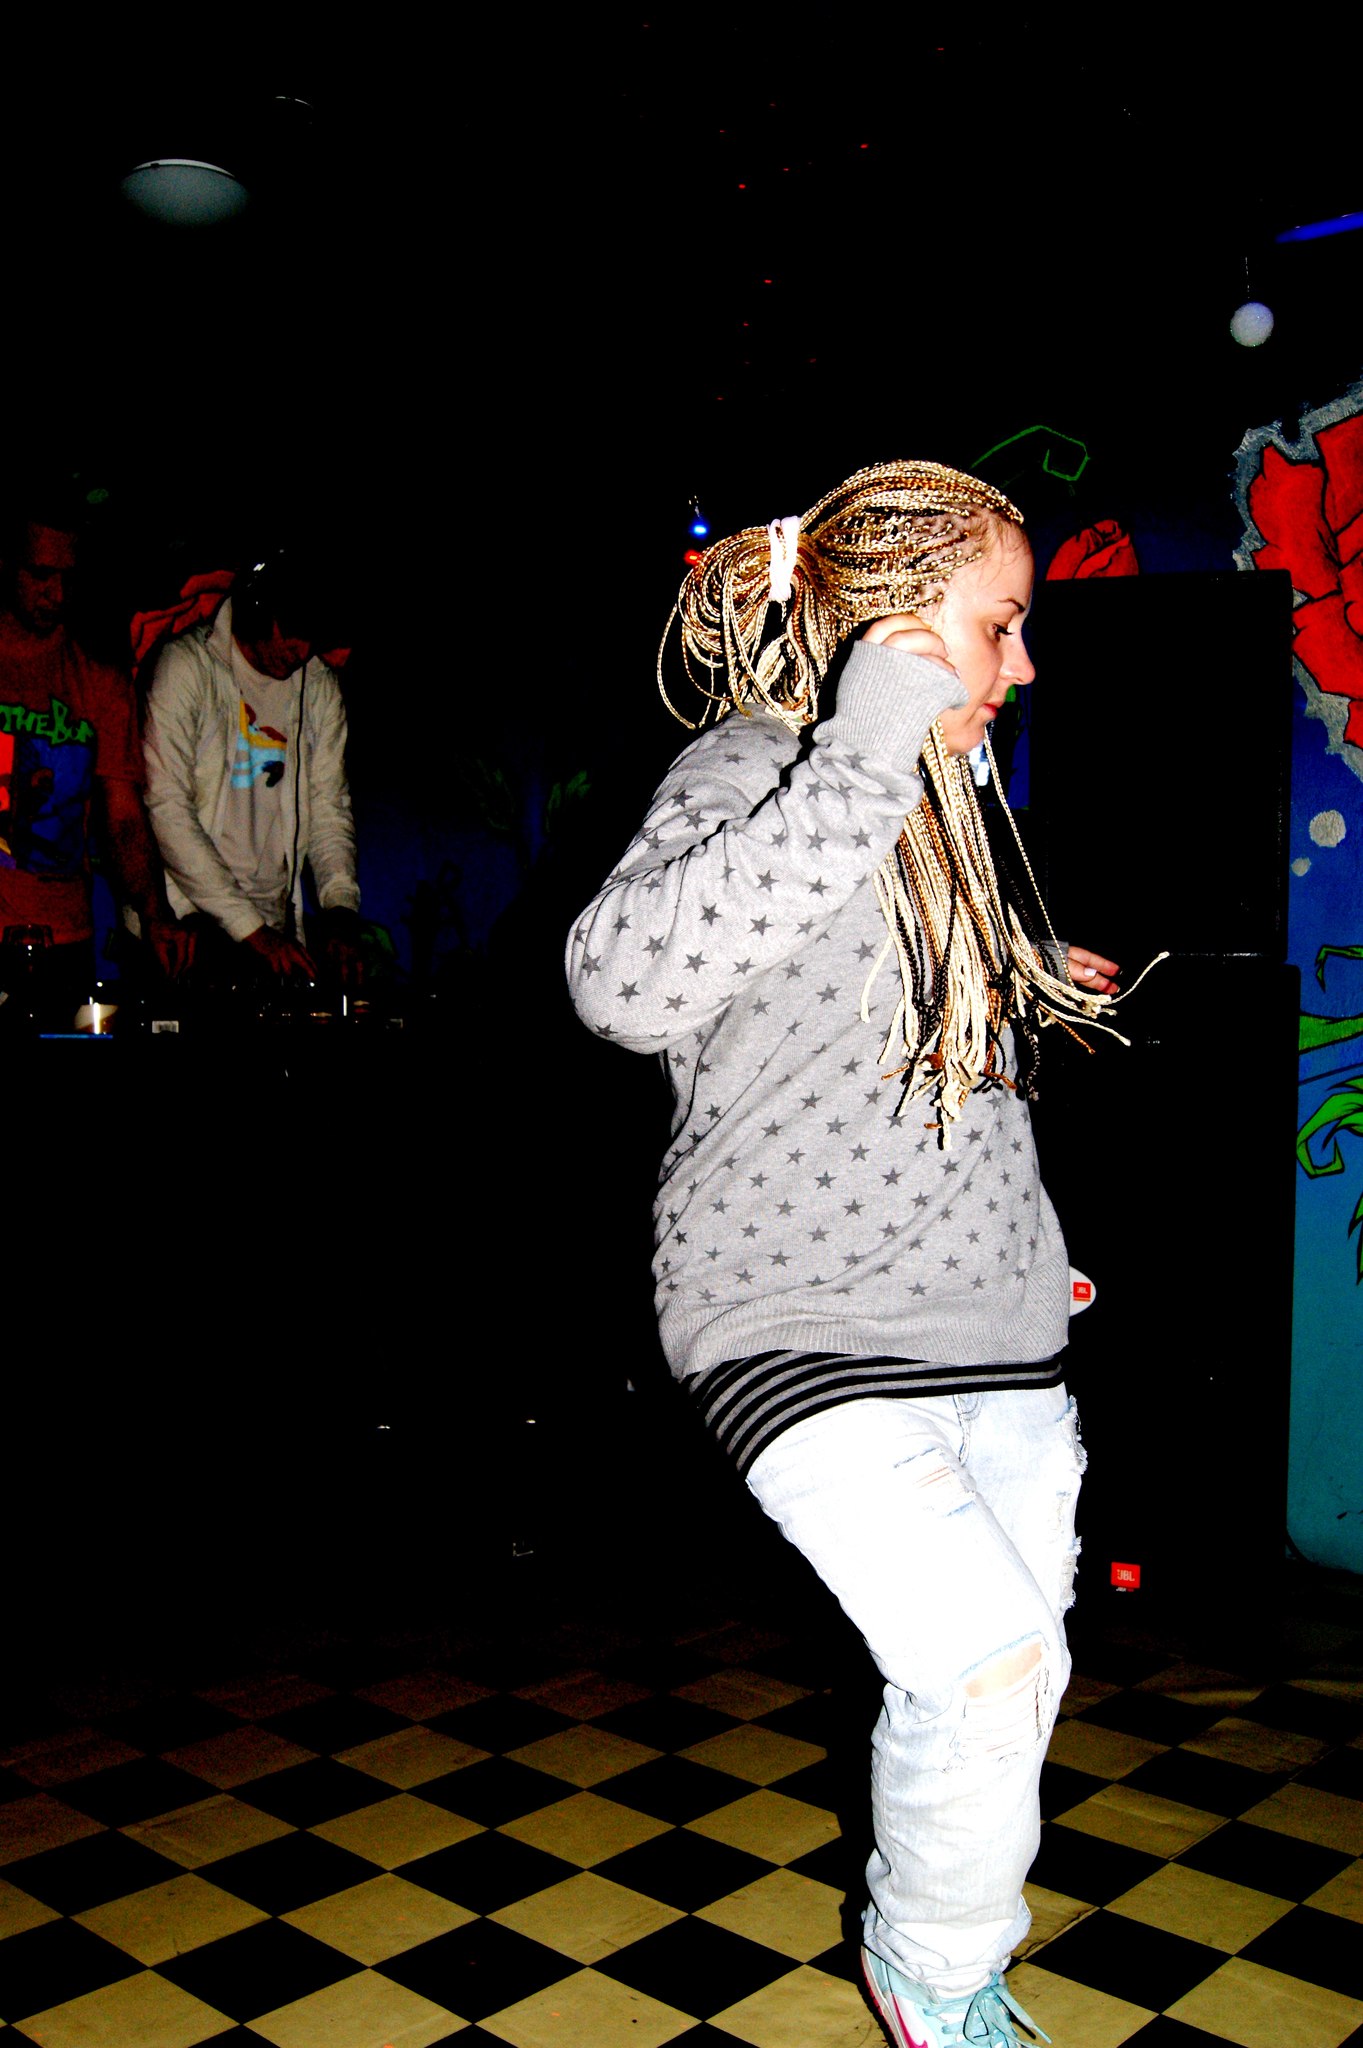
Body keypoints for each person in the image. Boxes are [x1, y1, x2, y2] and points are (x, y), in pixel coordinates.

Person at [565, 462, 1126, 2048]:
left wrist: (1017, 978)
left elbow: (885, 1041)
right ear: (894, 628)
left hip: (986, 1320)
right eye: (997, 625)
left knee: (1016, 1681)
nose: (1022, 665)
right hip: (793, 1320)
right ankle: (934, 1977)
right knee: (978, 1661)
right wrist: (866, 745)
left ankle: (952, 1965)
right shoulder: (757, 766)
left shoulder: (943, 814)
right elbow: (618, 984)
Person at [0, 511, 191, 1018]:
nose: (56, 594)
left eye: (68, 577)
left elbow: (123, 818)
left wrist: (155, 914)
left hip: (65, 938)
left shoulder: (99, 678)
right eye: (41, 574)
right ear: (5, 565)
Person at [142, 548, 362, 983]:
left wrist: (340, 910)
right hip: (187, 920)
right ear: (256, 609)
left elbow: (329, 810)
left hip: (271, 925)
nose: (301, 651)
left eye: (312, 637)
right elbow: (167, 807)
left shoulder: (318, 688)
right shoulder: (185, 668)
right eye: (292, 632)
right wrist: (249, 929)